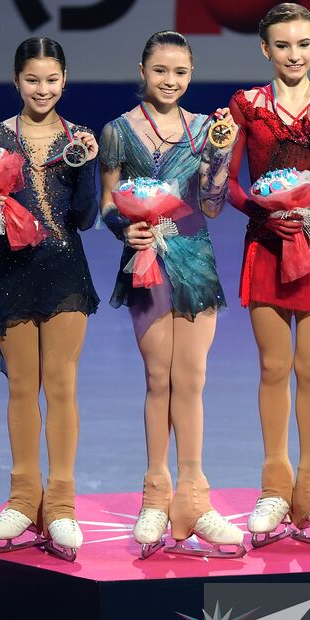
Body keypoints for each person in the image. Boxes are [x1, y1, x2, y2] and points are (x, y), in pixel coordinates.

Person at [99, 31, 245, 558]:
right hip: (146, 264)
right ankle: (155, 496)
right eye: (161, 70)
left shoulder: (207, 129)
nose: (171, 81)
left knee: (193, 378)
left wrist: (222, 156)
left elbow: (210, 206)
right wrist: (124, 230)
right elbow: (108, 205)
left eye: (181, 72)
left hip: (194, 258)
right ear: (142, 70)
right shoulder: (117, 132)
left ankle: (194, 498)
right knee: (158, 377)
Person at [224, 3, 310, 549]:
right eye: (282, 45)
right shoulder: (245, 107)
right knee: (274, 367)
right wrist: (263, 212)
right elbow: (228, 186)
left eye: (303, 44)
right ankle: (275, 488)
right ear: (265, 49)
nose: (294, 54)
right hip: (266, 244)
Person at [0, 37, 101, 561]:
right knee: (23, 387)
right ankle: (24, 498)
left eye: (51, 79)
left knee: (61, 387)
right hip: (14, 273)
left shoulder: (79, 139)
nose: (42, 89)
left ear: (64, 80)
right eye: (32, 80)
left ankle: (60, 504)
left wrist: (87, 167)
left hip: (65, 271)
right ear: (16, 81)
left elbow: (85, 217)